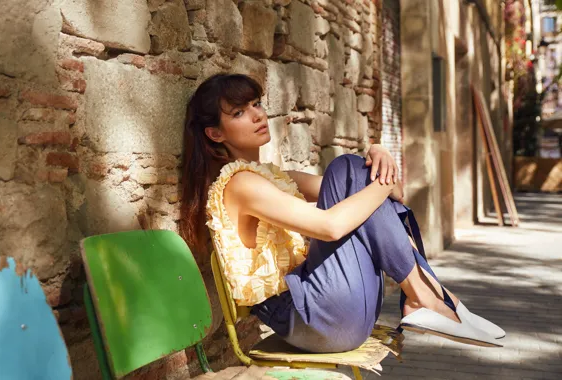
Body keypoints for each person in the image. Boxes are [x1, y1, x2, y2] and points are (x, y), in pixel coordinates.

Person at [179, 73, 505, 353]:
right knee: (346, 167)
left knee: (351, 169)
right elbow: (331, 227)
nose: (256, 115)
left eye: (256, 104)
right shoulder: (240, 184)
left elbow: (388, 195)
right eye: (239, 111)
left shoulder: (274, 176)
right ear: (215, 133)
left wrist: (377, 152)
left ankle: (431, 298)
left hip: (341, 312)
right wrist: (377, 176)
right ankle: (431, 298)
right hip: (312, 319)